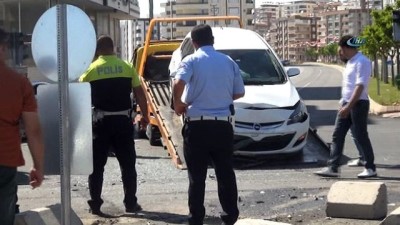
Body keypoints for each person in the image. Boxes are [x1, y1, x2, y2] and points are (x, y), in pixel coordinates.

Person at [172, 24, 245, 225]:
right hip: (223, 126)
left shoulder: (191, 60)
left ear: (194, 43)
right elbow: (239, 92)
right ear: (212, 40)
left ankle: (196, 218)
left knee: (197, 177)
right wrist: (219, 95)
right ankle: (230, 215)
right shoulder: (228, 61)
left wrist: (178, 103)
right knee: (225, 173)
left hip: (197, 127)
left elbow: (178, 83)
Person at [79, 35, 149, 215]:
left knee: (97, 166)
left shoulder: (90, 70)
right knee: (128, 165)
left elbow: (80, 98)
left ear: (98, 50)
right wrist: (145, 116)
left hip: (100, 124)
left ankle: (95, 203)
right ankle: (130, 203)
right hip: (123, 123)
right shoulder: (127, 67)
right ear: (113, 48)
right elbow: (140, 93)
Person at [314, 35, 377, 178]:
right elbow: (348, 86)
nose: (340, 52)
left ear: (347, 48)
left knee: (361, 136)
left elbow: (360, 86)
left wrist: (349, 106)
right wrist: (343, 103)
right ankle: (333, 168)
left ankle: (370, 167)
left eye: (341, 49)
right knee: (337, 135)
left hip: (358, 104)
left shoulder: (362, 62)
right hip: (346, 103)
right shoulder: (350, 62)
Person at [0, 27, 45, 225]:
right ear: (2, 48)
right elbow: (33, 131)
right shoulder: (19, 83)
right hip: (5, 160)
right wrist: (38, 167)